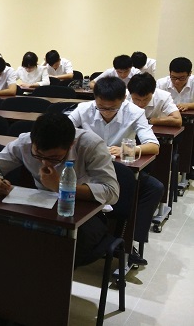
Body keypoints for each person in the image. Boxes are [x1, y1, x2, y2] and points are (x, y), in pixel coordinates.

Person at [0, 113, 119, 268]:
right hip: (42, 207)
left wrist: (61, 187)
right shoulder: (25, 142)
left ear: (71, 144)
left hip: (84, 212)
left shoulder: (90, 145)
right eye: (37, 155)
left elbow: (111, 191)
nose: (45, 163)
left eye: (54, 157)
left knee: (61, 247)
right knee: (7, 233)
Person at [68, 76, 163, 265]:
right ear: (95, 98)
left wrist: (125, 149)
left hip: (120, 168)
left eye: (112, 108)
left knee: (154, 188)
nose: (106, 112)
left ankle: (130, 241)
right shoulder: (84, 109)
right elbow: (62, 130)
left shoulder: (134, 112)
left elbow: (154, 146)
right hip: (88, 167)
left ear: (123, 100)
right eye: (101, 107)